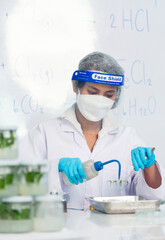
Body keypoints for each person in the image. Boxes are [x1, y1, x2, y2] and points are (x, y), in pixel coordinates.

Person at [19, 51, 164, 210]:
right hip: (62, 231)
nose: (99, 100)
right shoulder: (45, 133)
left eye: (108, 94)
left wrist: (149, 166)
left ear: (116, 97)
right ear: (76, 86)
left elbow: (154, 197)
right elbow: (16, 181)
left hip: (114, 233)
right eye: (93, 92)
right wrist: (55, 167)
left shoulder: (127, 138)